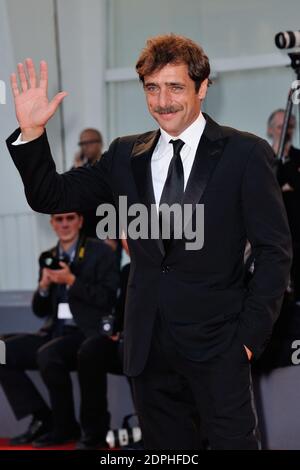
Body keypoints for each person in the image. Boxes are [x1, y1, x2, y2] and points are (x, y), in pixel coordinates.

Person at [7, 34, 292, 450]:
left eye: (175, 87)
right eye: (152, 88)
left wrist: (248, 340)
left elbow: (274, 254)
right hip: (147, 352)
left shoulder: (245, 154)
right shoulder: (125, 155)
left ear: (203, 86)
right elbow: (51, 195)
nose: (163, 101)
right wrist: (32, 132)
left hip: (219, 348)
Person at [0, 212, 118, 447]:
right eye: (59, 219)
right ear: (52, 224)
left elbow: (107, 299)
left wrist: (71, 280)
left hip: (86, 333)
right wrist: (43, 287)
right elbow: (40, 310)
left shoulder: (101, 252)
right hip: (55, 332)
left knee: (49, 354)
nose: (65, 224)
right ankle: (44, 419)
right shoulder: (48, 256)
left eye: (70, 218)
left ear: (80, 221)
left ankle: (69, 429)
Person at [267, 109, 300, 303]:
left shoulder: (297, 156)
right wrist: (285, 187)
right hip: (271, 234)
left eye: (289, 127)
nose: (285, 131)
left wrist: (287, 159)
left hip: (296, 234)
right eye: (280, 127)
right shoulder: (261, 157)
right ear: (271, 130)